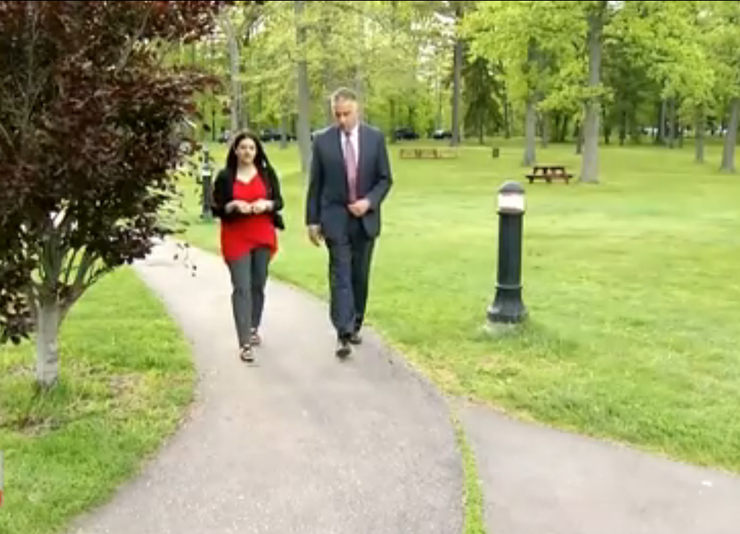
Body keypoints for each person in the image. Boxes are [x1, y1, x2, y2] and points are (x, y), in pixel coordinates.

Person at [305, 87, 393, 358]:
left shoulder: (375, 139)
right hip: (335, 218)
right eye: (337, 114)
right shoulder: (322, 141)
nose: (342, 120)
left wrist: (368, 202)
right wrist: (312, 220)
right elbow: (315, 183)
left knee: (359, 275)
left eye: (347, 114)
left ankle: (355, 323)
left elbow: (385, 179)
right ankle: (342, 332)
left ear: (357, 110)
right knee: (340, 273)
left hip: (365, 218)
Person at [211, 130, 284, 363]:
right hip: (236, 236)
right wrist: (232, 206)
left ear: (257, 151)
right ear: (235, 150)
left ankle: (253, 327)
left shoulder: (266, 173)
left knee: (257, 284)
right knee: (241, 287)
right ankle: (244, 343)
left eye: (251, 148)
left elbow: (279, 201)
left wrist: (266, 204)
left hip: (262, 234)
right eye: (243, 148)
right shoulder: (225, 176)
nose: (247, 152)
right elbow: (215, 207)